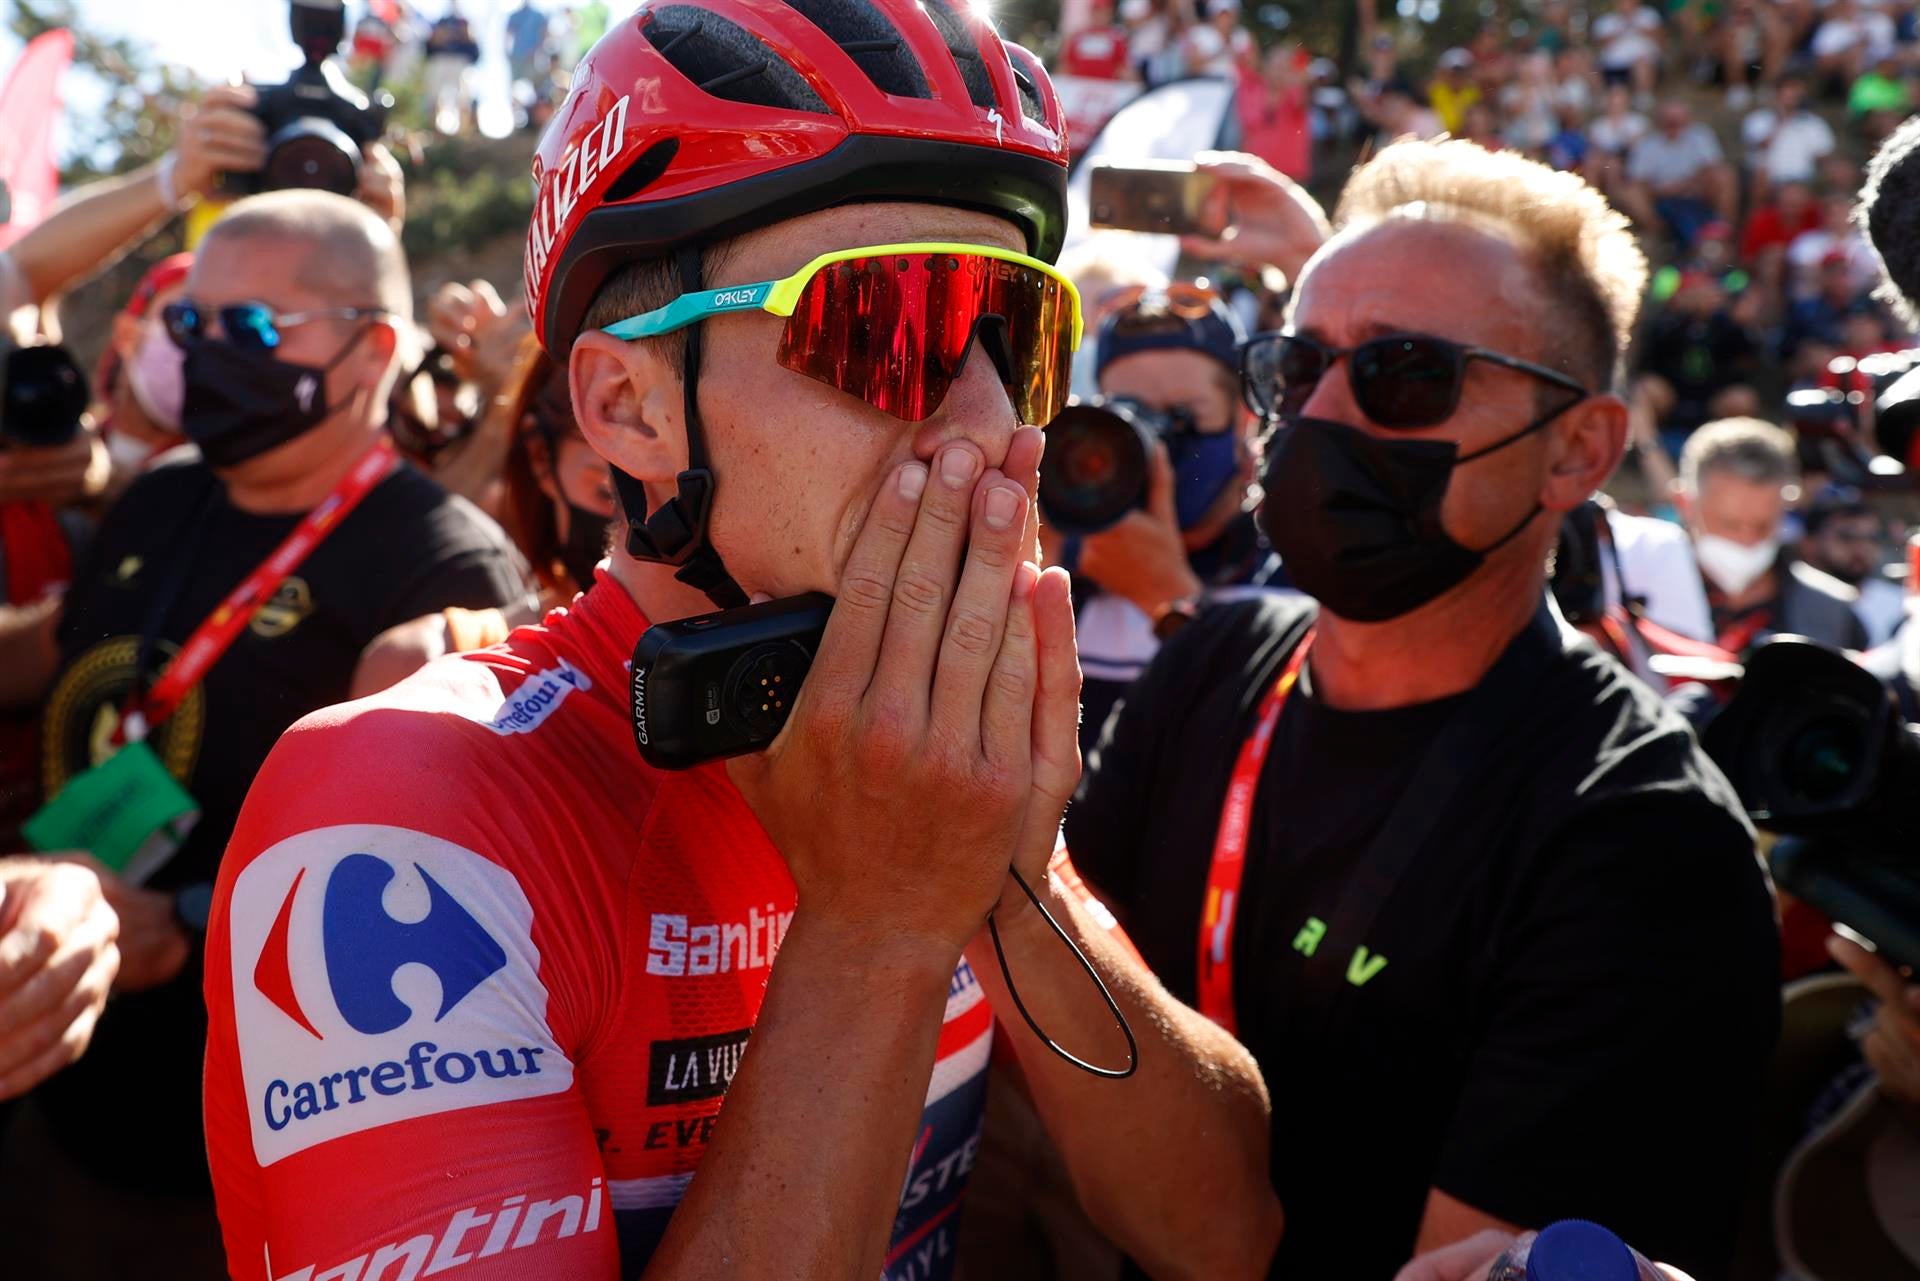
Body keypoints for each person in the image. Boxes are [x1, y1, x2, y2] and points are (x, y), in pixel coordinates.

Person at [202, 9, 1282, 1281]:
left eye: (1019, 337)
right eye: (893, 329)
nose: (994, 425)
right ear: (628, 408)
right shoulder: (391, 819)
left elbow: (1225, 1240)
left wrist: (1014, 882)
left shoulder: (930, 761)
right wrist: (879, 926)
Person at [1065, 138, 1781, 1280]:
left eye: (1405, 375)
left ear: (1577, 451)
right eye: (1296, 369)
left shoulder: (1643, 840)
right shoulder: (1213, 662)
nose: (1319, 416)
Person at [0, 190, 533, 1281]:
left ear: (371, 349)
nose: (206, 354)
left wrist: (184, 926)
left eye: (249, 327)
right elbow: (49, 653)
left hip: (239, 1158)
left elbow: (440, 908)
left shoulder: (446, 569)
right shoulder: (163, 496)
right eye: (189, 324)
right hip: (58, 1088)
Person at [1052, 291, 1291, 753]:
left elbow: (1288, 750)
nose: (1153, 443)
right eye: (1129, 412)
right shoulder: (1068, 571)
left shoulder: (1289, 576)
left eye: (1183, 417)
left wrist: (1169, 599)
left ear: (1243, 421)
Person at [1674, 416, 1868, 651]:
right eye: (1731, 525)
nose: (1747, 540)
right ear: (1685, 504)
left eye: (1762, 526)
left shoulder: (1833, 615)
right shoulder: (1642, 601)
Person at [1620, 100, 1735, 249]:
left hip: (1696, 191)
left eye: (1677, 118)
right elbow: (1637, 179)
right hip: (1660, 198)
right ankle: (1660, 232)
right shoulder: (1648, 143)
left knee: (1724, 175)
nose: (1673, 122)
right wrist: (1661, 190)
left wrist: (1685, 185)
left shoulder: (1701, 136)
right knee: (1629, 193)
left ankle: (1723, 227)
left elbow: (1711, 167)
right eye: (1669, 119)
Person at [1797, 485, 1905, 644]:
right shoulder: (1787, 603)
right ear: (1809, 544)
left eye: (1872, 538)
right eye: (1847, 536)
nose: (1862, 547)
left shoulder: (1902, 604)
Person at [1740, 77, 1835, 193]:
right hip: (1770, 180)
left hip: (1804, 180)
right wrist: (1781, 120)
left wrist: (1828, 166)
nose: (1792, 99)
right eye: (1787, 95)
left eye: (1795, 96)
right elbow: (1762, 145)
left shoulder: (1813, 122)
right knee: (1761, 177)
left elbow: (1823, 154)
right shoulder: (1757, 119)